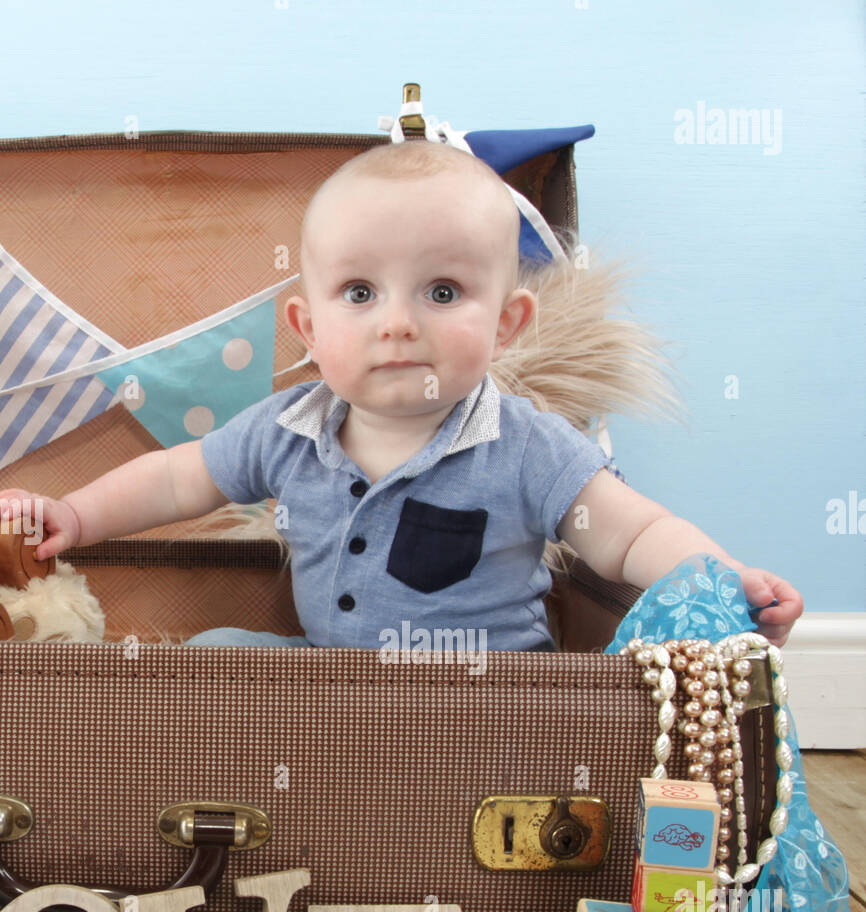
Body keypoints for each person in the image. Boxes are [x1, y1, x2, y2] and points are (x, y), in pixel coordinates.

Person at [0, 141, 802, 651]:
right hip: (337, 684)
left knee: (557, 719)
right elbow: (178, 478)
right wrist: (79, 516)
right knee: (221, 653)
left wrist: (723, 575)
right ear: (306, 327)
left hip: (491, 702)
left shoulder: (526, 445)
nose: (397, 324)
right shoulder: (288, 427)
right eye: (359, 293)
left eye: (444, 292)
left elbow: (632, 538)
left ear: (508, 323)